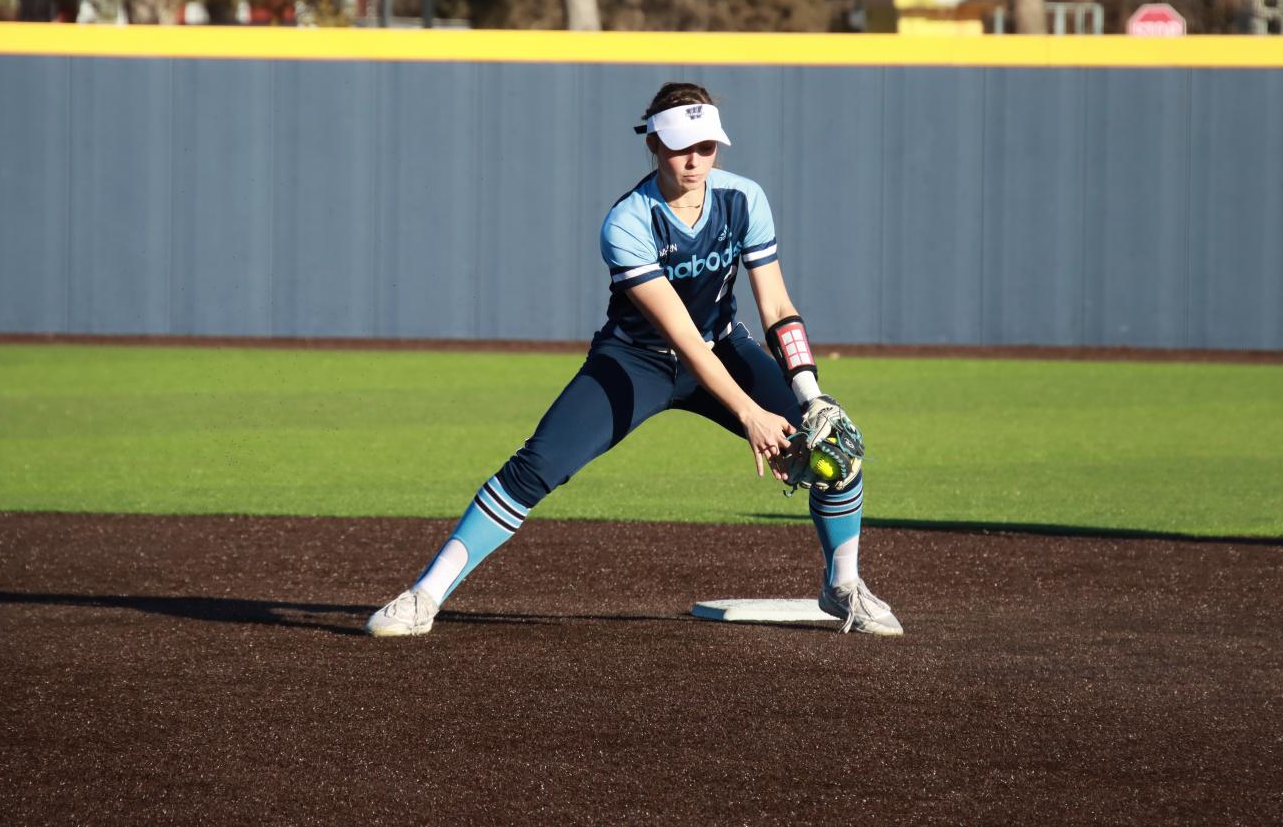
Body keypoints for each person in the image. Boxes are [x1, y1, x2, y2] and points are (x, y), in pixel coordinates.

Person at [366, 81, 901, 637]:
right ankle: (424, 594)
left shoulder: (744, 200)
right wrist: (750, 414)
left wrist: (809, 395)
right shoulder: (628, 222)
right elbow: (682, 338)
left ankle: (843, 586)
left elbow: (778, 307)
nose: (693, 160)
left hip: (725, 347)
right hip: (636, 361)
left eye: (706, 147)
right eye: (678, 146)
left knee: (838, 445)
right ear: (652, 145)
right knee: (539, 465)